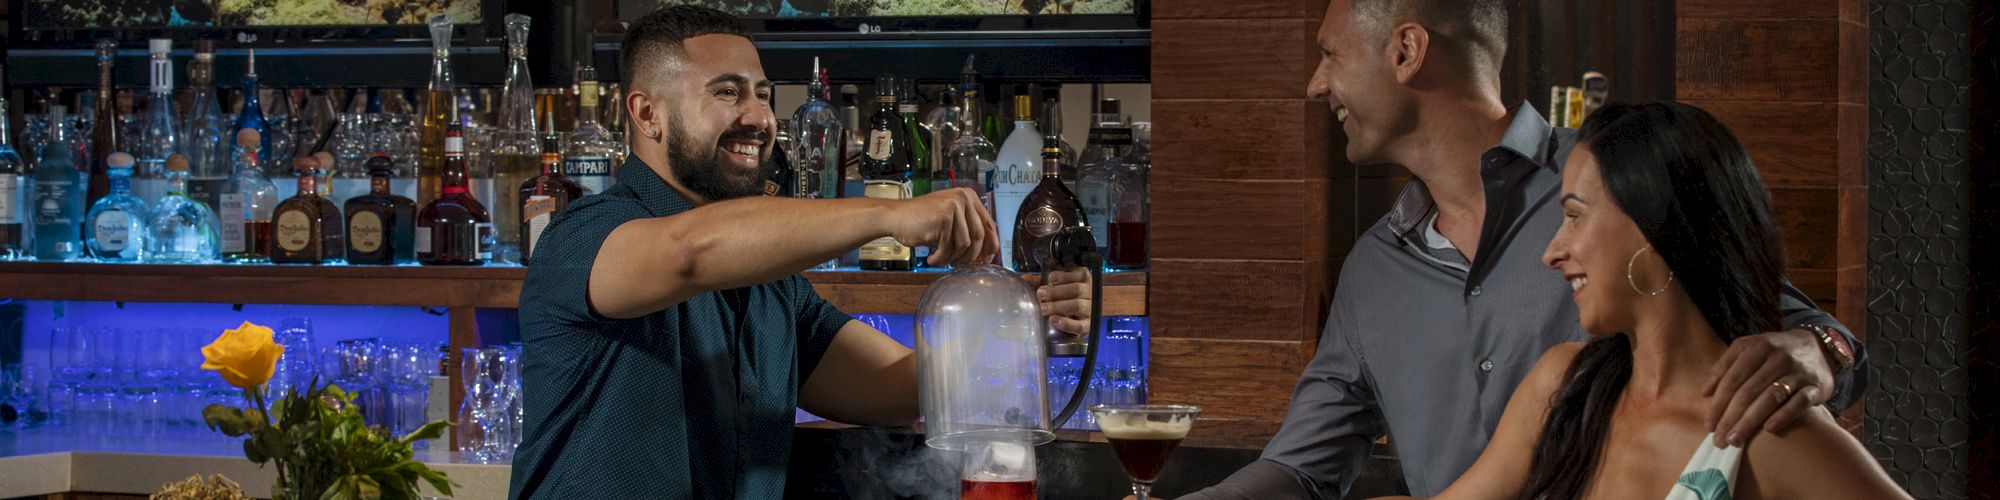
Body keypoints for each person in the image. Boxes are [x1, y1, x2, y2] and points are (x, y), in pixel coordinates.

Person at [1178, 1, 1867, 498]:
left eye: (1329, 54)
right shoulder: (1371, 274)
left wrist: (1819, 350)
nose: (1315, 84)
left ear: (1407, 50)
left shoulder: (1613, 190)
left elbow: (1768, 315)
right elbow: (1303, 467)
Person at [506, 6, 1093, 499]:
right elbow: (688, 252)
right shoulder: (583, 237)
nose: (758, 118)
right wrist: (887, 213)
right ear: (646, 113)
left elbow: (900, 389)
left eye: (764, 95)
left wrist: (1024, 322)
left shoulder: (773, 286)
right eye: (727, 92)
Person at [1371, 101, 1907, 499]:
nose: (1552, 251)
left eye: (1575, 215)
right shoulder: (1565, 387)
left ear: (1653, 228)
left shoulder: (1767, 432)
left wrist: (1823, 347)